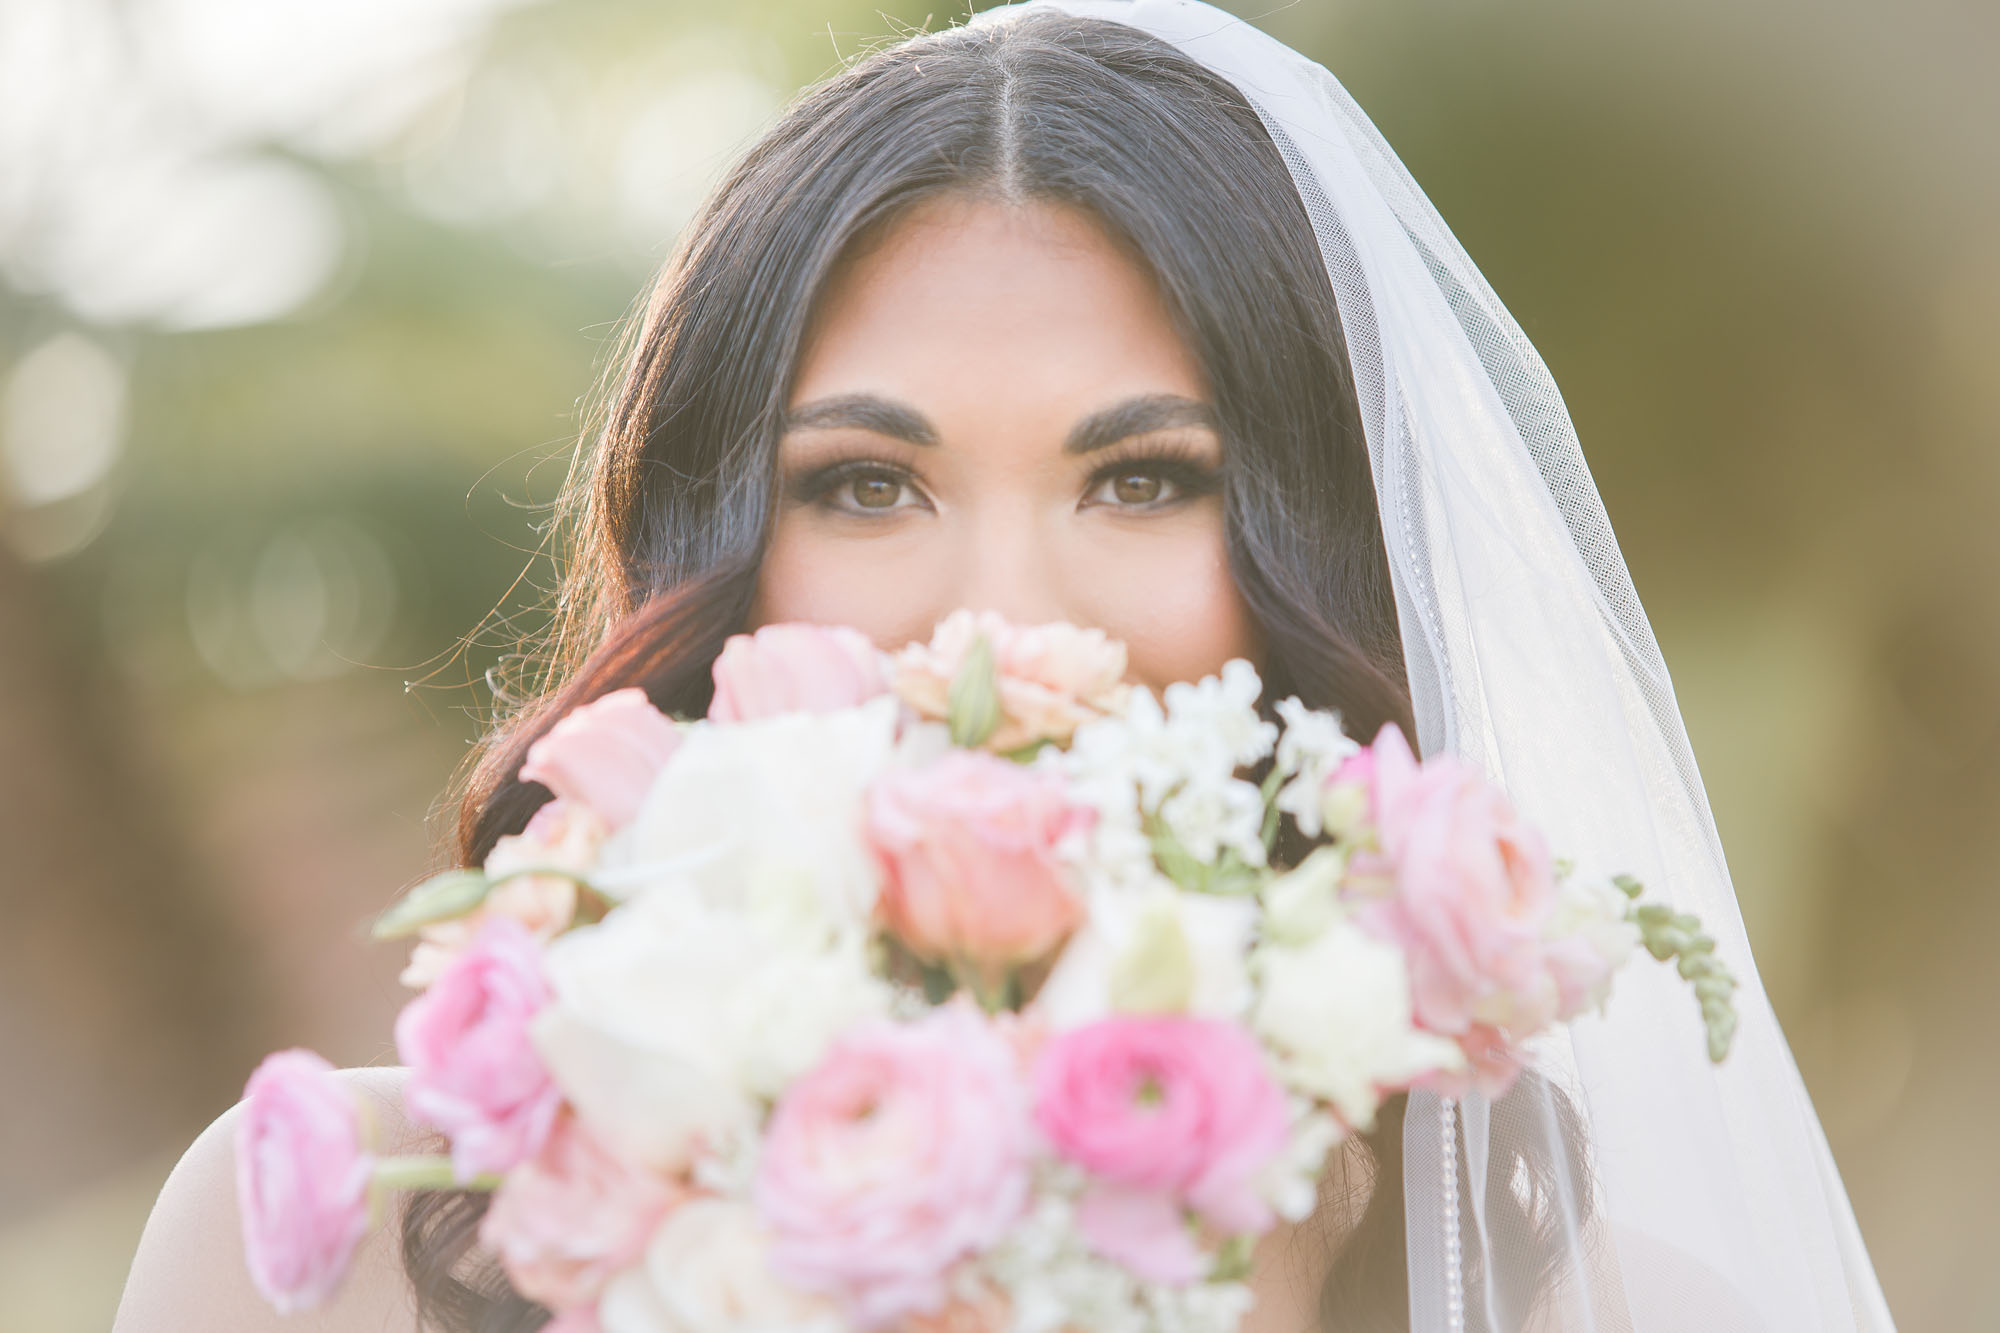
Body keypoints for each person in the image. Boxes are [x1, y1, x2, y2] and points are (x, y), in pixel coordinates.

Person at [114, 2, 1896, 1330]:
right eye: (869, 485)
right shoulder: (340, 1240)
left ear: (1309, 551)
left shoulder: (1580, 1292)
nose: (1002, 621)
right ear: (728, 549)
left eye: (1143, 478)